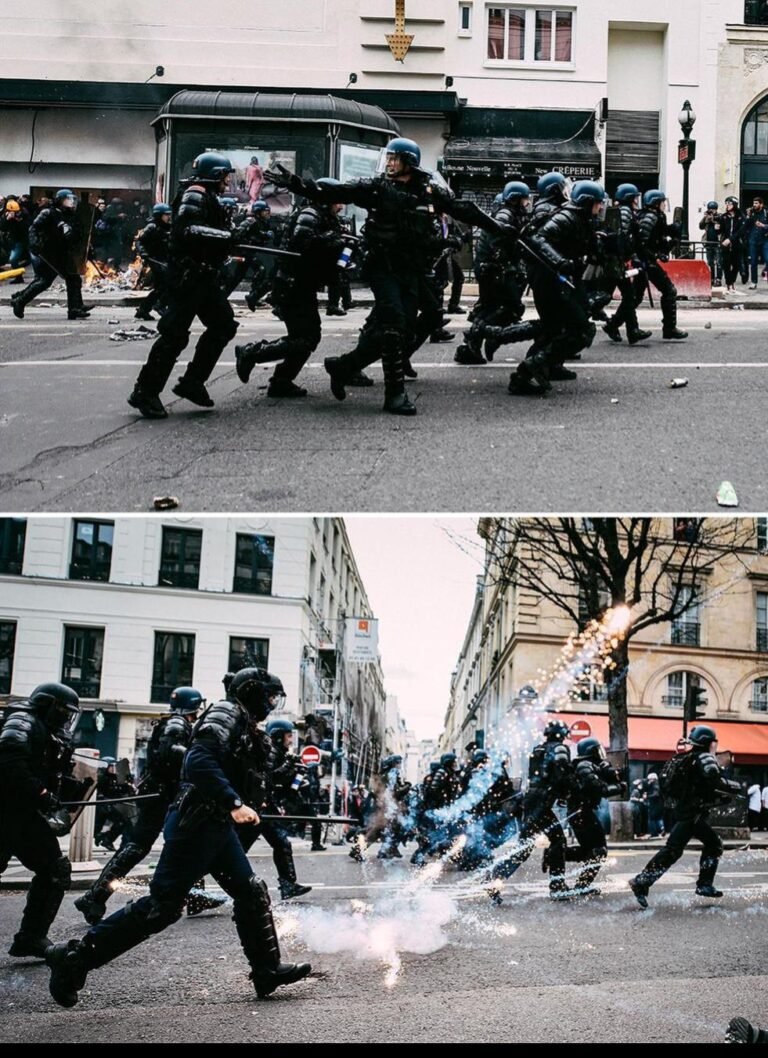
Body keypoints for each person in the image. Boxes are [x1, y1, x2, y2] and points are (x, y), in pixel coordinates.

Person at [45, 666, 311, 1008]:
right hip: (196, 826)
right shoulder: (226, 712)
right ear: (253, 693)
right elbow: (198, 761)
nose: (273, 704)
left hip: (215, 828)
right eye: (271, 697)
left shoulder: (242, 721)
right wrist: (233, 802)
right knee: (161, 908)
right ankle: (73, 959)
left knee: (251, 893)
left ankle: (267, 970)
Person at [267, 137, 501, 415]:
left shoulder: (429, 190)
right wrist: (297, 183)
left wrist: (497, 227)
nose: (389, 163)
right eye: (388, 158)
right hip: (383, 266)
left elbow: (462, 208)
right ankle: (395, 394)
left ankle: (344, 366)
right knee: (393, 324)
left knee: (403, 330)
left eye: (395, 158)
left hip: (411, 269)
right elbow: (332, 190)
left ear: (409, 162)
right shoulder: (376, 188)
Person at [74, 687, 225, 924]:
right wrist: (195, 759)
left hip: (163, 793)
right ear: (193, 706)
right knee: (141, 845)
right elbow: (171, 752)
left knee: (187, 841)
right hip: (162, 795)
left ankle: (196, 898)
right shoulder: (177, 723)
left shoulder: (174, 722)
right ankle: (95, 896)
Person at [127, 152, 240, 419]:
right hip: (187, 279)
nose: (227, 180)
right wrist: (229, 237)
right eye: (225, 174)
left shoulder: (206, 196)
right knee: (174, 335)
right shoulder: (195, 195)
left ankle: (193, 381)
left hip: (203, 278)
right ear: (214, 174)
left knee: (223, 325)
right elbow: (189, 231)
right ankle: (144, 392)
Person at [234, 178, 349, 398]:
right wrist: (333, 239)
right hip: (292, 286)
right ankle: (252, 353)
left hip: (302, 285)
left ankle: (281, 381)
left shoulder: (322, 216)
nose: (340, 205)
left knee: (307, 337)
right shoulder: (309, 215)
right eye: (337, 200)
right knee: (306, 337)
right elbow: (302, 245)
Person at [0, 682, 82, 958]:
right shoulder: (22, 720)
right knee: (53, 869)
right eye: (64, 712)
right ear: (49, 705)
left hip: (20, 813)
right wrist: (41, 793)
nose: (66, 719)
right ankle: (31, 936)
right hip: (8, 811)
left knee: (54, 870)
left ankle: (31, 937)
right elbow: (9, 763)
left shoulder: (42, 728)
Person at [507, 180, 605, 396]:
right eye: (598, 203)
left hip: (558, 278)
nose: (600, 208)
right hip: (549, 278)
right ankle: (530, 368)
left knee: (554, 328)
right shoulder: (566, 216)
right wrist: (560, 261)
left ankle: (532, 372)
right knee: (580, 331)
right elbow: (539, 238)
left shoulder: (582, 219)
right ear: (588, 202)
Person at [629, 725, 742, 908]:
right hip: (692, 814)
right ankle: (701, 885)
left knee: (674, 850)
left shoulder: (687, 758)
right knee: (709, 845)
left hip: (686, 811)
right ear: (707, 742)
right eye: (713, 742)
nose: (715, 746)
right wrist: (734, 786)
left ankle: (643, 882)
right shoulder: (704, 757)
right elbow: (713, 777)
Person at [486, 720, 572, 902]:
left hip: (532, 800)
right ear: (561, 734)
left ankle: (495, 878)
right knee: (557, 840)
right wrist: (567, 792)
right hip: (542, 801)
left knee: (525, 847)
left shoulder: (538, 750)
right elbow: (561, 777)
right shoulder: (559, 749)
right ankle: (557, 886)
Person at [235, 715, 312, 900]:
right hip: (257, 807)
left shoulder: (278, 752)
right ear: (278, 736)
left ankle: (288, 884)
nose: (291, 739)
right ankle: (195, 885)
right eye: (288, 736)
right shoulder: (270, 752)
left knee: (281, 843)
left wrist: (297, 777)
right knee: (235, 850)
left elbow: (280, 785)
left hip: (265, 806)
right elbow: (268, 778)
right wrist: (289, 766)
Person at [455, 180, 530, 366]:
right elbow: (500, 242)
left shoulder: (509, 213)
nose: (527, 203)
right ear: (515, 199)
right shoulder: (505, 215)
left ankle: (469, 346)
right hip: (495, 270)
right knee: (506, 308)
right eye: (524, 199)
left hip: (492, 269)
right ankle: (479, 339)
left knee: (490, 308)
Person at [11, 190, 92, 320]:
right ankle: (20, 300)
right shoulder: (48, 212)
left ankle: (76, 307)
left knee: (72, 278)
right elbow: (33, 228)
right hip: (47, 252)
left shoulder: (68, 214)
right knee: (45, 280)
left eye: (72, 199)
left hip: (61, 252)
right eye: (68, 199)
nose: (71, 202)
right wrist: (36, 245)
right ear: (60, 200)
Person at [561, 738, 624, 896]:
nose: (600, 754)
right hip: (581, 813)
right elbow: (598, 788)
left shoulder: (587, 765)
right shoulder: (584, 766)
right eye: (597, 750)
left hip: (581, 812)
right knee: (598, 850)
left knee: (589, 850)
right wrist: (619, 787)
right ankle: (579, 883)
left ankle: (561, 858)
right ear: (591, 751)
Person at [634, 189, 688, 340]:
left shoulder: (657, 216)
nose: (665, 205)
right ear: (656, 203)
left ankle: (613, 324)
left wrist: (673, 232)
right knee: (669, 291)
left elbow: (660, 237)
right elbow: (642, 243)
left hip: (647, 261)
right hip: (646, 262)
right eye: (663, 202)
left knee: (635, 297)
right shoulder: (650, 217)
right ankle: (669, 328)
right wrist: (656, 255)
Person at [602, 183, 652, 345]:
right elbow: (622, 237)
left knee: (628, 295)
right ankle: (575, 326)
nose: (637, 200)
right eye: (635, 197)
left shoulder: (626, 211)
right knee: (601, 297)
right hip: (615, 261)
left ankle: (629, 330)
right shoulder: (624, 212)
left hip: (616, 260)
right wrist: (632, 255)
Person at [134, 203, 172, 321]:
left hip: (165, 259)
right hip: (155, 259)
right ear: (159, 215)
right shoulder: (151, 227)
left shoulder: (168, 227)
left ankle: (143, 309)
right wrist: (144, 253)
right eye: (166, 215)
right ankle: (159, 306)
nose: (169, 217)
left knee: (161, 287)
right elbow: (139, 242)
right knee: (165, 285)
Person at [718, 197, 744, 295]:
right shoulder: (724, 217)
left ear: (735, 205)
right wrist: (717, 229)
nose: (727, 206)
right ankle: (729, 284)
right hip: (725, 245)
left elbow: (741, 232)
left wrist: (730, 239)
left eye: (730, 204)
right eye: (726, 204)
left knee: (736, 265)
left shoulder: (741, 217)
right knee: (726, 265)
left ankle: (732, 281)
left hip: (737, 244)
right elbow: (721, 231)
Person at [742, 196, 768, 289]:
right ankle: (753, 282)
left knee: (767, 259)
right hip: (753, 240)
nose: (754, 205)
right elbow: (745, 226)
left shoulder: (766, 213)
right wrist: (748, 216)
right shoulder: (751, 213)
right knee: (753, 262)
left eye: (756, 203)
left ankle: (765, 271)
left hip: (765, 240)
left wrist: (763, 225)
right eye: (754, 203)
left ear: (761, 204)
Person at [699, 201, 722, 286]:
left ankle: (718, 279)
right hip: (708, 242)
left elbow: (721, 224)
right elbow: (700, 226)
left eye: (713, 210)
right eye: (710, 209)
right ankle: (711, 278)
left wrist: (712, 219)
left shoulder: (719, 216)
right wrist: (705, 218)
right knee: (710, 262)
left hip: (717, 242)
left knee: (719, 262)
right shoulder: (707, 216)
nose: (711, 211)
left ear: (716, 209)